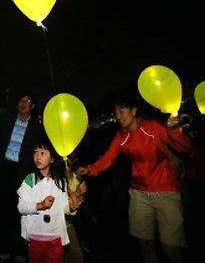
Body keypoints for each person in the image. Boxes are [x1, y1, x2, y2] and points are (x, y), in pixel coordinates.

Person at [77, 96, 192, 263]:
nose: (118, 116)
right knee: (145, 245)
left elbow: (185, 147)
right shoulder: (121, 136)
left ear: (133, 111)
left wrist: (175, 129)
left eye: (121, 112)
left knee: (170, 250)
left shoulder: (152, 128)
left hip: (166, 192)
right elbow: (108, 158)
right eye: (116, 113)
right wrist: (91, 168)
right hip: (139, 195)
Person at [0, 92, 45, 261]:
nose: (23, 103)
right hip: (5, 170)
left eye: (27, 101)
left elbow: (45, 148)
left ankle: (21, 251)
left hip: (24, 172)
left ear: (32, 106)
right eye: (21, 100)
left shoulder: (36, 128)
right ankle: (2, 250)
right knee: (3, 211)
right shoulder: (7, 120)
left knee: (23, 213)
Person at [18, 140, 83, 263]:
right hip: (35, 236)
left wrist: (71, 207)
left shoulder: (60, 182)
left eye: (43, 153)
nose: (37, 156)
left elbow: (63, 207)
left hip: (56, 237)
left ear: (52, 159)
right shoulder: (30, 180)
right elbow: (21, 206)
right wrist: (39, 205)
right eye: (35, 152)